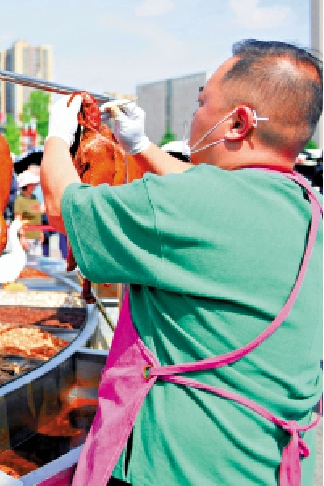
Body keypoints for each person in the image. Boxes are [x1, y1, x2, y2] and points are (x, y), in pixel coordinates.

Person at [41, 40, 322, 485]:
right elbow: (208, 195)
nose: (196, 117)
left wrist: (56, 136)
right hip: (267, 464)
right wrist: (141, 146)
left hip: (174, 467)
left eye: (203, 102)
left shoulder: (191, 204)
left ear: (238, 121)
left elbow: (62, 206)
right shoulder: (308, 207)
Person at [13, 169, 44, 257]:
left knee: (37, 262)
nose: (34, 186)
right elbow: (17, 220)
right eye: (32, 184)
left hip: (36, 236)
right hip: (27, 237)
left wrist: (40, 232)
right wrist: (22, 237)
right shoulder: (20, 200)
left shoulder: (35, 198)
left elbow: (38, 215)